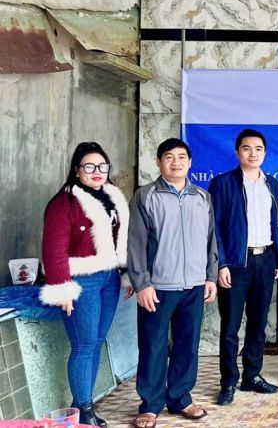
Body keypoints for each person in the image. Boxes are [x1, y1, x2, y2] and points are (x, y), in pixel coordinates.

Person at [40, 142, 133, 427]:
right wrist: (61, 287)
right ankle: (84, 409)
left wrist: (127, 273)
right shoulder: (63, 203)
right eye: (89, 166)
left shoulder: (112, 198)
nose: (97, 172)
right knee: (83, 344)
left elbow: (122, 240)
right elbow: (53, 248)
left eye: (102, 166)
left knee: (97, 341)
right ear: (76, 170)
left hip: (109, 279)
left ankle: (82, 404)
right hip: (81, 281)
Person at [128, 138, 218, 428]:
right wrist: (141, 283)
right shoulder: (146, 195)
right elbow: (136, 244)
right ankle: (150, 404)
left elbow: (211, 240)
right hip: (158, 286)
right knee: (153, 345)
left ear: (190, 163)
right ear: (158, 162)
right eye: (169, 157)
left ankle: (180, 398)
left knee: (187, 344)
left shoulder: (202, 197)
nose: (176, 162)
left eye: (182, 157)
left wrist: (210, 276)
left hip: (193, 285)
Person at [209, 129, 278, 406]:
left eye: (258, 149)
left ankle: (252, 375)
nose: (253, 154)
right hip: (236, 264)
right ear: (238, 152)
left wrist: (277, 256)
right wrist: (222, 264)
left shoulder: (272, 184)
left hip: (265, 261)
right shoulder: (223, 183)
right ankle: (228, 382)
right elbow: (215, 228)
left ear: (265, 152)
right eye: (247, 148)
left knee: (258, 324)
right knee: (230, 327)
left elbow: (277, 223)